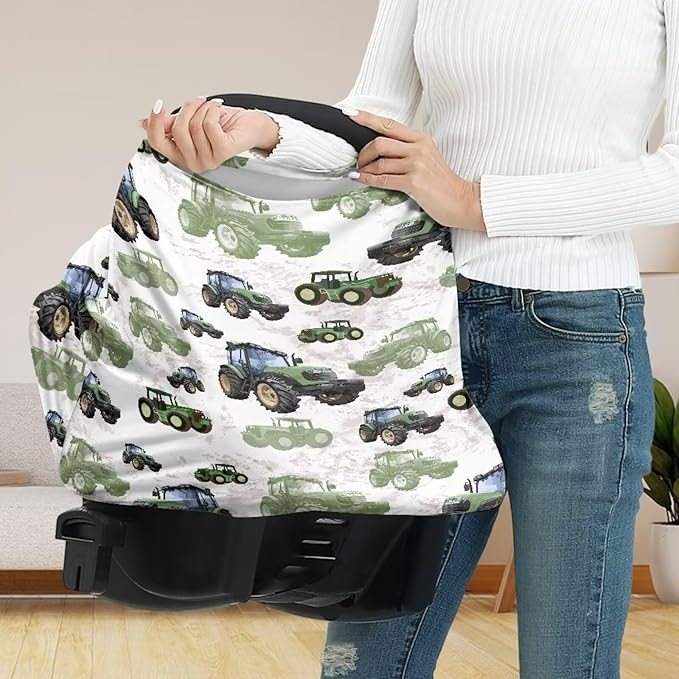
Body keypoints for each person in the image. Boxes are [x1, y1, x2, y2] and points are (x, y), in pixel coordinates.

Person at [139, 1, 678, 676]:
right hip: (419, 324)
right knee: (364, 658)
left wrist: (477, 202)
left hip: (575, 343)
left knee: (566, 660)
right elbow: (371, 122)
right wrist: (264, 133)